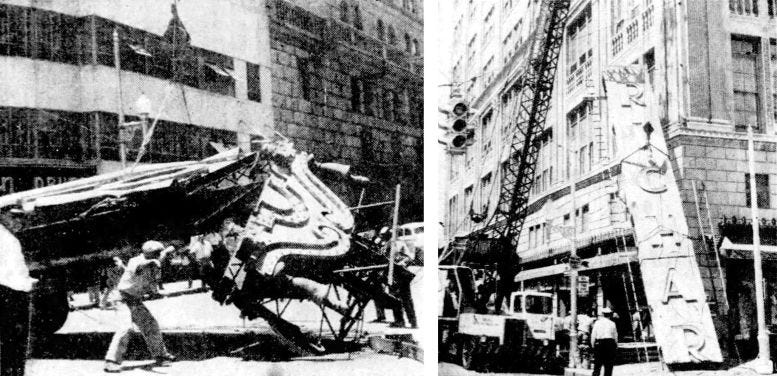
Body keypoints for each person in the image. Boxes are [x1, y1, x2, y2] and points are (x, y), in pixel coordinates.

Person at [104, 241, 176, 373]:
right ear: (150, 253)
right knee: (125, 327)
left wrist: (164, 254)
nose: (159, 256)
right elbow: (141, 265)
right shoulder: (136, 261)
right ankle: (111, 361)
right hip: (121, 298)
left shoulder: (154, 262)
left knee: (151, 324)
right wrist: (160, 257)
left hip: (134, 300)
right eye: (157, 253)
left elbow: (156, 264)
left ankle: (160, 354)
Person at [0, 216, 37, 376]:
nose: (19, 222)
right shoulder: (7, 239)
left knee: (11, 348)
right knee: (13, 347)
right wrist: (26, 283)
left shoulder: (8, 237)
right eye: (14, 217)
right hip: (11, 293)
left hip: (12, 291)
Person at [590, 307, 618, 376]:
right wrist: (616, 345)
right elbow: (615, 336)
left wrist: (593, 344)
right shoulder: (612, 323)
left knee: (597, 364)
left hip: (600, 343)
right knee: (609, 365)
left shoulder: (597, 323)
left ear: (603, 314)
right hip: (610, 343)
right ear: (610, 314)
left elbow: (593, 334)